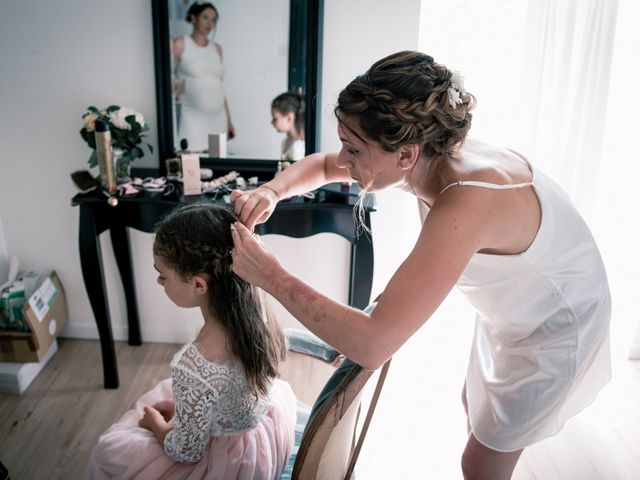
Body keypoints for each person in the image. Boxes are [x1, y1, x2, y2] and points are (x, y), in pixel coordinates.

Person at [229, 51, 611, 479]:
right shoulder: (429, 153)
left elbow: (374, 344)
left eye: (353, 149)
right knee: (475, 406)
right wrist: (273, 192)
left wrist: (269, 275)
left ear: (406, 155)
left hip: (557, 328)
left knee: (480, 462)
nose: (343, 160)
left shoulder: (467, 200)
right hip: (510, 313)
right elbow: (321, 166)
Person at [88, 204, 297, 480]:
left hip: (228, 466)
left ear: (199, 285)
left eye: (163, 274)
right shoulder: (256, 307)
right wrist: (187, 413)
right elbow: (231, 394)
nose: (158, 280)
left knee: (109, 451)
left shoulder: (195, 364)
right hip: (261, 438)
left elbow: (186, 450)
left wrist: (154, 424)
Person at [172, 2, 235, 152]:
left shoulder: (217, 49)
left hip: (217, 118)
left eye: (213, 19)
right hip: (191, 116)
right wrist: (177, 99)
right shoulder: (180, 44)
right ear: (194, 18)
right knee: (190, 162)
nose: (209, 23)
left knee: (216, 163)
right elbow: (174, 75)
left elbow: (220, 86)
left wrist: (229, 121)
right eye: (205, 17)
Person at [271, 91, 306, 161]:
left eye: (275, 119)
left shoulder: (301, 147)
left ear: (289, 118)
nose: (272, 122)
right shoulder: (285, 142)